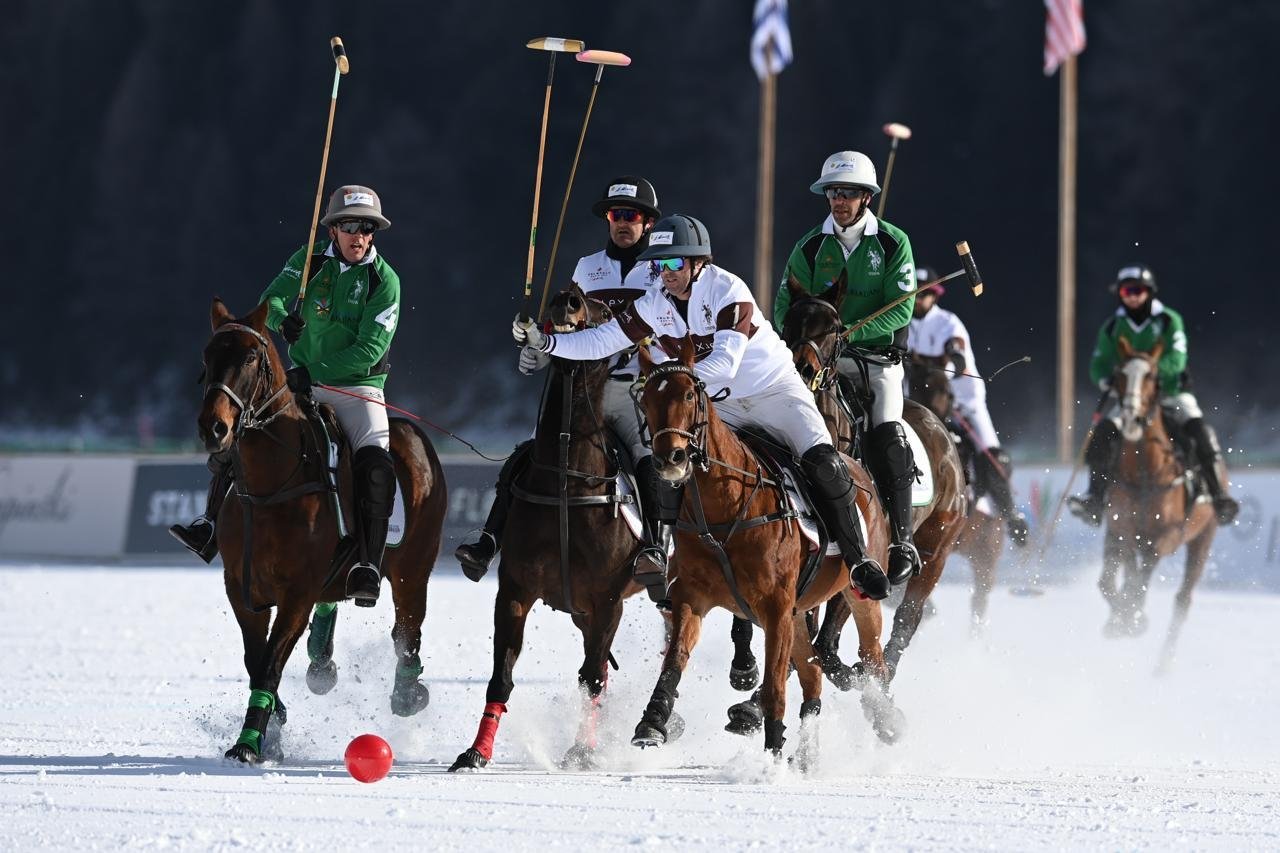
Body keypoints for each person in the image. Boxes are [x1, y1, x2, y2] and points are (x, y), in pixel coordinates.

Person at [513, 214, 892, 600]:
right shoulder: (654, 302)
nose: (666, 273)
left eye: (675, 264)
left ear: (699, 264)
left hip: (775, 394)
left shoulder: (728, 291)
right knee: (672, 460)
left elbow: (725, 366)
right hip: (721, 404)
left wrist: (673, 382)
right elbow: (601, 342)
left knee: (824, 462)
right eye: (658, 264)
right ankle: (664, 552)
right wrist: (546, 344)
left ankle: (858, 559)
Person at [171, 185, 401, 607]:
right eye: (349, 226)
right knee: (243, 436)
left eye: (366, 228)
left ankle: (367, 563)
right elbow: (270, 300)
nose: (358, 236)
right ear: (333, 230)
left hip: (358, 390)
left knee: (376, 465)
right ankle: (207, 524)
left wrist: (311, 372)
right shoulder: (308, 260)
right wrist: (282, 320)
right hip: (299, 381)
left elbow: (370, 348)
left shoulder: (384, 281)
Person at [454, 177, 674, 597]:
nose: (622, 224)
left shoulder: (662, 270)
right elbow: (564, 327)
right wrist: (539, 348)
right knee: (530, 453)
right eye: (615, 215)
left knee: (647, 459)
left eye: (630, 216)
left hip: (633, 390)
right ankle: (490, 540)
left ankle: (654, 549)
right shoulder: (587, 268)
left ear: (647, 223)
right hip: (582, 391)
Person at [773, 150, 921, 586]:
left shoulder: (894, 242)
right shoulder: (810, 246)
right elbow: (785, 304)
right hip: (819, 359)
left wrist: (849, 334)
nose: (840, 200)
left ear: (866, 198)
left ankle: (902, 540)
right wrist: (810, 339)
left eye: (850, 193)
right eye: (835, 192)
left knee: (887, 432)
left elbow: (903, 308)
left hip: (874, 359)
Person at [1067, 265, 1239, 526]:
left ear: (1148, 292)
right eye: (1126, 291)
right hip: (1131, 398)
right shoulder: (1113, 326)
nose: (1132, 296)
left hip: (1170, 393)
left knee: (1200, 431)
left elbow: (1178, 357)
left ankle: (1218, 496)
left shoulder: (1168, 320)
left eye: (1137, 290)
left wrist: (1152, 373)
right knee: (1102, 434)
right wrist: (1106, 379)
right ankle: (1095, 499)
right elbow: (1098, 363)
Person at [907, 266, 1029, 545]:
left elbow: (956, 348)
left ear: (934, 296)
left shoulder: (948, 323)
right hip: (918, 403)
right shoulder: (901, 324)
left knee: (991, 456)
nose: (918, 300)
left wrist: (954, 358)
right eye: (914, 294)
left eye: (924, 294)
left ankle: (1011, 515)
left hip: (962, 401)